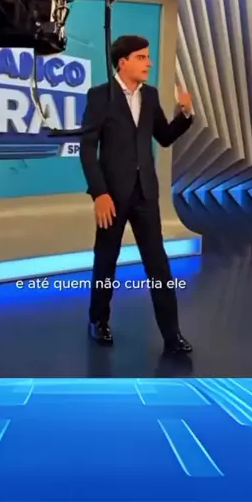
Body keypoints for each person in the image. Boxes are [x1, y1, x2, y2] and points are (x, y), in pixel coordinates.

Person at [79, 34, 194, 355]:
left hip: (145, 194)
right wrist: (99, 193)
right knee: (106, 260)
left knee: (159, 265)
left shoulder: (151, 96)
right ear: (123, 62)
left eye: (148, 57)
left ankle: (172, 334)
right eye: (142, 57)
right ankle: (98, 320)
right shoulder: (99, 96)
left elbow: (164, 137)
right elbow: (87, 150)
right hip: (112, 197)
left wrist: (184, 114)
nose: (149, 63)